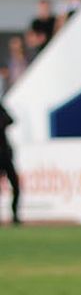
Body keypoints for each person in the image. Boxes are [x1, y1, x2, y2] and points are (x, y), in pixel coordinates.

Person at [0, 87, 18, 225]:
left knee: (16, 186)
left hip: (5, 155)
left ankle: (15, 214)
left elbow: (11, 120)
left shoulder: (1, 108)